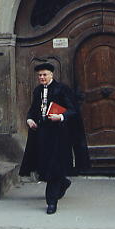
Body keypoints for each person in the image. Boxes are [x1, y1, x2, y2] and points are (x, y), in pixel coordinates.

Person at [19, 62, 90, 214]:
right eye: (40, 75)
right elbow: (33, 109)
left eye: (45, 74)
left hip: (58, 134)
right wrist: (29, 119)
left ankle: (51, 202)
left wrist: (61, 116)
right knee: (43, 165)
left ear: (52, 75)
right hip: (41, 133)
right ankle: (63, 183)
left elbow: (73, 110)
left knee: (54, 166)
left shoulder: (62, 89)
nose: (42, 77)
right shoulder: (37, 90)